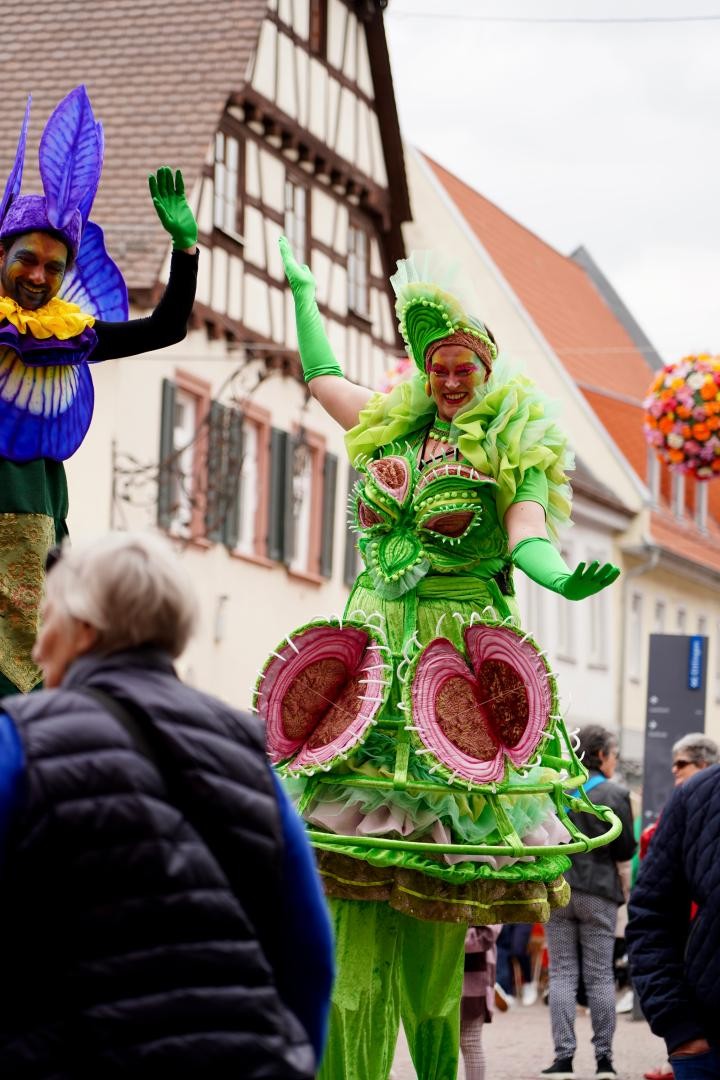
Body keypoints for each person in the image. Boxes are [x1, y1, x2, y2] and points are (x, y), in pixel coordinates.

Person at [256, 240, 621, 1080]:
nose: (451, 380)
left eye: (464, 368)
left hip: (455, 662)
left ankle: (432, 1053)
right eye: (439, 367)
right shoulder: (396, 426)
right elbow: (322, 377)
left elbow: (527, 534)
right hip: (373, 659)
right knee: (350, 854)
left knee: (436, 872)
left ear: (486, 371)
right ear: (425, 371)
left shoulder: (511, 448)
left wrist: (560, 578)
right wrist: (304, 291)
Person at [0, 531, 334, 1076]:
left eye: (47, 619)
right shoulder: (247, 753)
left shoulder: (20, 741)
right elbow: (309, 954)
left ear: (85, 628)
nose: (37, 649)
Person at [0, 87, 199, 697]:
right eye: (26, 259)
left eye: (54, 267)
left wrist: (185, 250)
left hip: (38, 529)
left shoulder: (71, 337)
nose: (38, 276)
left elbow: (165, 328)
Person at [541, 725, 637, 1080]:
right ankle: (604, 1062)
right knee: (600, 976)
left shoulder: (556, 788)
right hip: (599, 892)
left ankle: (563, 1059)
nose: (615, 762)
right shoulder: (615, 793)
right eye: (614, 756)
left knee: (562, 973)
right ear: (601, 755)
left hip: (559, 889)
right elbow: (625, 848)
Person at [626, 763, 720, 1080]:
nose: (674, 768)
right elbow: (651, 915)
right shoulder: (698, 795)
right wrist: (680, 1029)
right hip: (707, 1047)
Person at [461, 925, 501, 1080]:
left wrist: (446, 937)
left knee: (470, 1040)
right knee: (438, 1042)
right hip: (441, 972)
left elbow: (486, 936)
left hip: (474, 974)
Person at [496, 923, 538, 1006]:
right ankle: (507, 992)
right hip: (505, 918)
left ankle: (528, 983)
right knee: (502, 950)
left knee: (518, 949)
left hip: (523, 918)